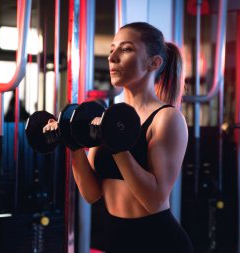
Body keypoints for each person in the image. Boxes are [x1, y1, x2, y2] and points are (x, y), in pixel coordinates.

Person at [44, 22, 193, 253]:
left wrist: (116, 145)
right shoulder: (107, 118)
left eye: (126, 49)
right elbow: (92, 193)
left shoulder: (167, 119)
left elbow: (154, 200)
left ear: (154, 63)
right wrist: (73, 144)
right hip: (116, 239)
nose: (112, 57)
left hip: (158, 242)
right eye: (112, 49)